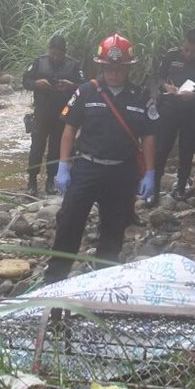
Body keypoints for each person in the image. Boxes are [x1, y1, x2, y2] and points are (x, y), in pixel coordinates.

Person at [43, 34, 158, 285]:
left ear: (128, 68)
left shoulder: (140, 97)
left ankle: (104, 281)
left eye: (119, 69)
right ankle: (53, 279)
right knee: (69, 222)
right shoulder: (86, 92)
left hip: (121, 173)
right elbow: (69, 130)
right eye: (109, 68)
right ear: (101, 67)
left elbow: (148, 136)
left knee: (114, 228)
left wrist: (150, 172)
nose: (114, 74)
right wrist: (63, 166)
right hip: (87, 168)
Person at [150, 28, 195, 203]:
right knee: (161, 150)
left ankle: (181, 187)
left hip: (192, 114)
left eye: (194, 51)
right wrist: (167, 87)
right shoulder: (172, 56)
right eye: (186, 49)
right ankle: (154, 189)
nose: (189, 54)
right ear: (183, 44)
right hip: (169, 111)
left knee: (187, 151)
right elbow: (160, 78)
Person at [22, 35, 85, 195]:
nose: (55, 57)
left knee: (56, 149)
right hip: (42, 112)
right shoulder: (39, 62)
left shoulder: (73, 65)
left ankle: (51, 180)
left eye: (59, 54)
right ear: (49, 50)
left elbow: (84, 88)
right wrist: (37, 83)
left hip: (62, 114)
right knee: (36, 148)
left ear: (65, 52)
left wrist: (71, 86)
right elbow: (25, 81)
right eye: (53, 53)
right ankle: (32, 182)